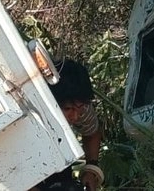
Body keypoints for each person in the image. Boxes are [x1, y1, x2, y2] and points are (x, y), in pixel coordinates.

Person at [37, 59, 105, 191]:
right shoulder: (30, 113)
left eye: (78, 108)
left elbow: (91, 133)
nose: (75, 117)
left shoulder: (80, 105)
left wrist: (91, 168)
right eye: (68, 109)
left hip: (59, 156)